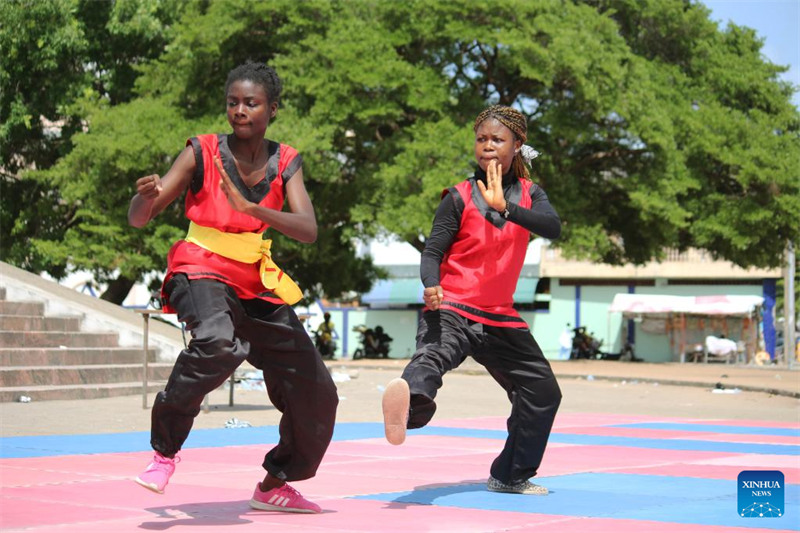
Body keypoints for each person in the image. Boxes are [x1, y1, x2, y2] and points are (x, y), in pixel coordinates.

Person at [127, 61, 338, 513]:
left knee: (317, 388)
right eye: (233, 102)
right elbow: (140, 217)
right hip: (200, 265)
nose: (239, 110)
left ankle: (276, 482)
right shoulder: (201, 151)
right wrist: (143, 201)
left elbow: (307, 228)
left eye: (251, 102)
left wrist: (253, 209)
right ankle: (164, 452)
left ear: (272, 108)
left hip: (254, 279)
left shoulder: (286, 160)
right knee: (219, 342)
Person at [381, 105, 562, 495]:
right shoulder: (459, 196)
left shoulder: (531, 195)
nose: (488, 147)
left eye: (497, 140)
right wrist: (431, 284)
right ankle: (410, 406)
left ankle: (511, 474)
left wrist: (506, 209)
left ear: (517, 145)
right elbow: (432, 253)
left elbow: (553, 227)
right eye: (482, 139)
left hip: (500, 316)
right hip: (453, 305)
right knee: (432, 356)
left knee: (543, 392)